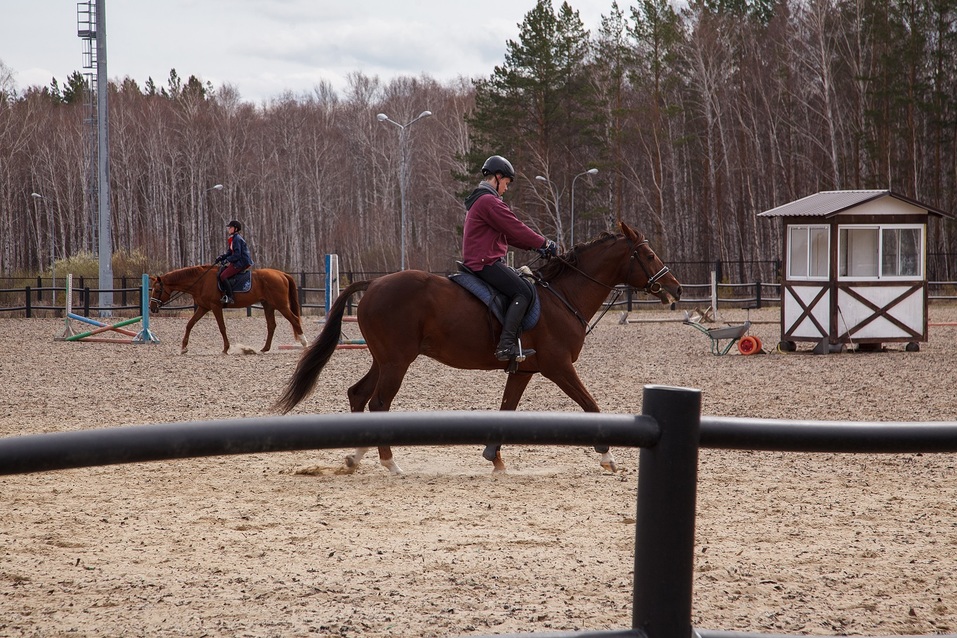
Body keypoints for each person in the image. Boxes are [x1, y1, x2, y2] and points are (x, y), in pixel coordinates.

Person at [462, 155, 558, 361]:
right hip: (484, 262)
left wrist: (535, 248)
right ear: (497, 177)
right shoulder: (489, 201)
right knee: (524, 291)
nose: (506, 188)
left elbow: (509, 235)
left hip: (481, 260)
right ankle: (506, 345)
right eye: (506, 183)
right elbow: (516, 227)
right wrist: (544, 243)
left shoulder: (481, 199)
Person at [214, 220, 254, 304]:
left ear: (235, 229)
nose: (229, 229)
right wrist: (221, 257)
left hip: (241, 262)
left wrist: (227, 260)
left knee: (223, 276)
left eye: (230, 227)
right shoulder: (233, 238)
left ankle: (230, 297)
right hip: (237, 261)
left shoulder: (237, 239)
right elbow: (230, 252)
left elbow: (237, 255)